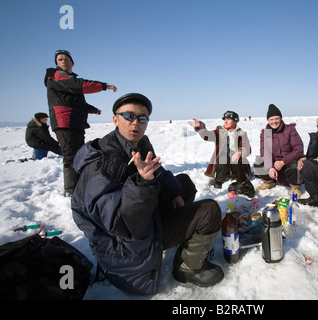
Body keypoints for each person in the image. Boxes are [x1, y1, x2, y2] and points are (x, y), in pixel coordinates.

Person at [71, 93, 224, 295]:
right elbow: (123, 225)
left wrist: (174, 192)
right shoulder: (105, 165)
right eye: (129, 116)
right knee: (209, 210)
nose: (136, 123)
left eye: (142, 118)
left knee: (183, 183)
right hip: (123, 248)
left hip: (138, 217)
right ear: (115, 119)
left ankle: (178, 226)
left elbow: (156, 170)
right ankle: (189, 268)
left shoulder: (137, 143)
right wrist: (143, 183)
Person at [44, 49, 117, 196]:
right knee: (70, 155)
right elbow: (80, 85)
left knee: (78, 154)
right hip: (65, 122)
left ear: (72, 62)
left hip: (75, 122)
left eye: (66, 59)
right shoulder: (55, 76)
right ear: (56, 64)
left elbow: (76, 102)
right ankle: (71, 192)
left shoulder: (67, 80)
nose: (63, 61)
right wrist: (104, 86)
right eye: (60, 59)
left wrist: (93, 110)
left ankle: (78, 185)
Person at [188, 111, 252, 189]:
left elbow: (247, 148)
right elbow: (207, 136)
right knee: (222, 158)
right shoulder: (219, 131)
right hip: (223, 160)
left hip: (235, 160)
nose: (226, 121)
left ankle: (241, 181)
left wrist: (240, 152)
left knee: (238, 159)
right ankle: (219, 180)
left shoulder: (242, 133)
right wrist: (200, 127)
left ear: (235, 121)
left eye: (229, 119)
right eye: (225, 119)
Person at [254, 104, 304, 197]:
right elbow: (265, 152)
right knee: (258, 162)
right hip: (275, 163)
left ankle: (295, 187)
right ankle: (268, 182)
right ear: (268, 120)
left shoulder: (290, 129)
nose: (274, 122)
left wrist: (283, 161)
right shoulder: (266, 133)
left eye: (276, 118)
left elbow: (298, 149)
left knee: (295, 165)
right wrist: (271, 167)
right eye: (271, 119)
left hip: (289, 161)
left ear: (280, 118)